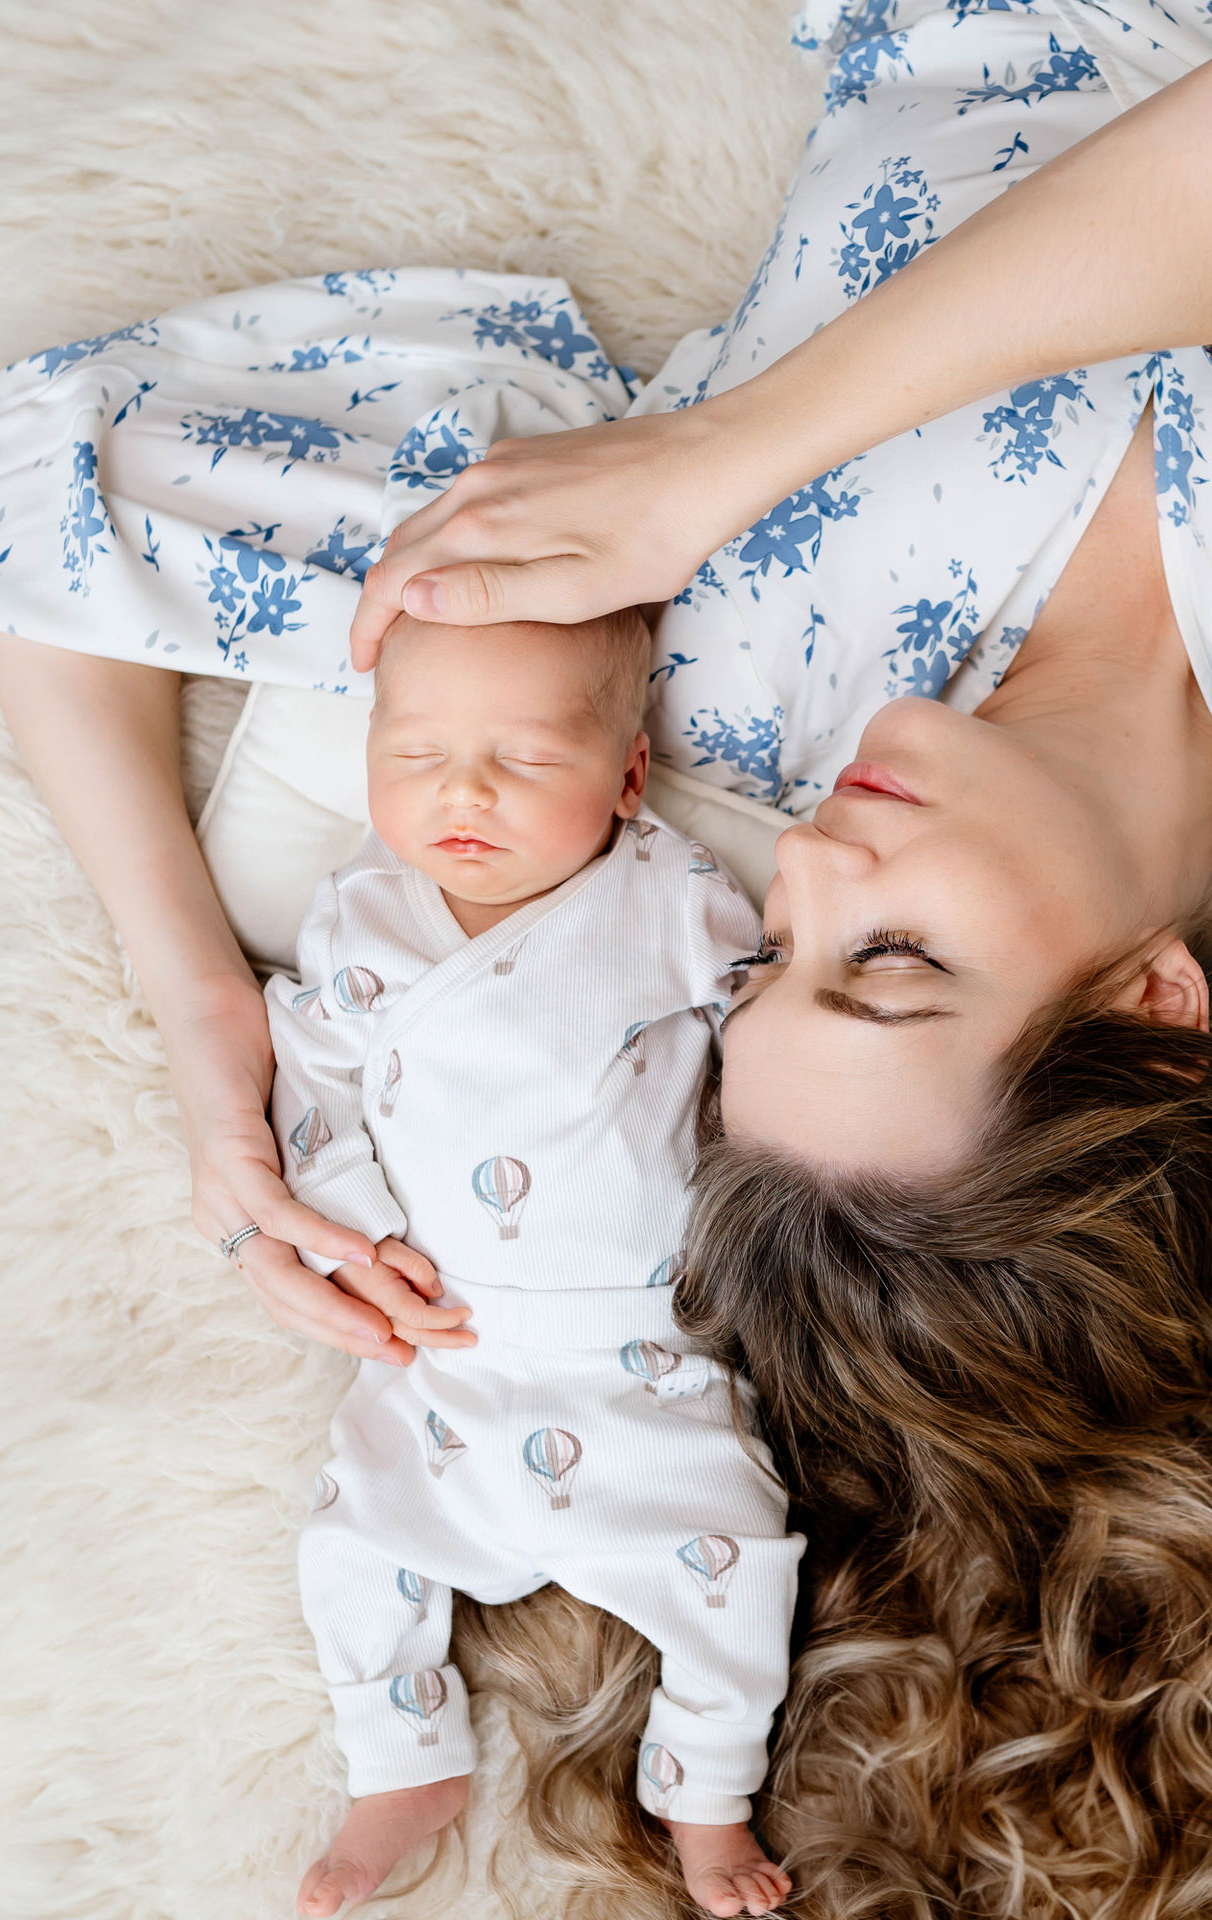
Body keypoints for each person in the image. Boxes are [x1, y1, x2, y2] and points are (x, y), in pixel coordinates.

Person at [0, 0, 1212, 1901]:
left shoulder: (722, 681)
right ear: (1150, 1009)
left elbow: (21, 490)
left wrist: (207, 1006)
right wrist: (714, 460)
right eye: (890, 965)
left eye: (771, 960)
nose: (808, 865)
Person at [268, 609, 798, 1917]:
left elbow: (770, 1026)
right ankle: (402, 1760)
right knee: (354, 1543)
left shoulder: (665, 896)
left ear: (626, 775)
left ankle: (707, 1796)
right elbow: (312, 1092)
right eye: (420, 752)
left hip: (640, 1349)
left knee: (740, 1556)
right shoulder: (360, 918)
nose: (464, 791)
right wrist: (347, 1229)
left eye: (525, 758)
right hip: (439, 1339)